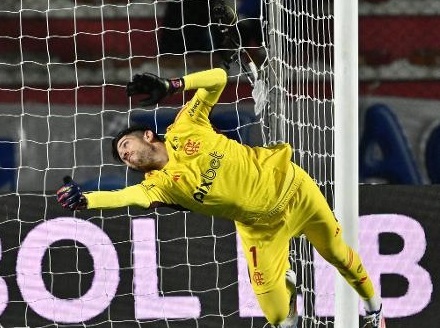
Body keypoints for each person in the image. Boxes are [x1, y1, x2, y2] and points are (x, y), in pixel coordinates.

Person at [56, 67, 386, 328]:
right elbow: (123, 197)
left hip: (293, 188)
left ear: (146, 135)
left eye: (125, 146)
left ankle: (374, 310)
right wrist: (86, 200)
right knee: (278, 317)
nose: (125, 155)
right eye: (121, 156)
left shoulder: (186, 126)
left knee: (337, 253)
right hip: (261, 228)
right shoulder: (157, 186)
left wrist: (173, 85)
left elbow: (218, 79)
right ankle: (287, 284)